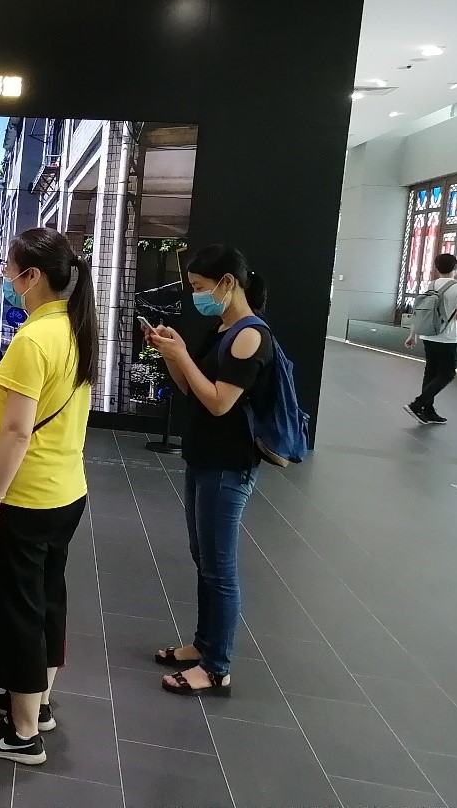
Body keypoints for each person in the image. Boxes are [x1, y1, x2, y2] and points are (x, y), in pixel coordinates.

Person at [0, 228, 96, 766]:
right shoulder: (75, 328)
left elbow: (15, 432)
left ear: (32, 276)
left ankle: (21, 735)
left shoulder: (33, 340)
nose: (5, 277)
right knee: (47, 599)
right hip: (67, 490)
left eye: (10, 268)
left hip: (28, 496)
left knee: (18, 611)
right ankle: (36, 704)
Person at [143, 245, 274, 697]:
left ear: (227, 283)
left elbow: (220, 402)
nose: (196, 295)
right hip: (205, 458)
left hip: (229, 464)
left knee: (219, 567)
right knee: (205, 558)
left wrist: (181, 356)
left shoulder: (249, 336)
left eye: (200, 287)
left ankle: (217, 666)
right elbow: (192, 390)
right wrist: (172, 353)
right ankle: (204, 645)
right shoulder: (223, 329)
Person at [405, 252, 457, 424]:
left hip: (428, 334)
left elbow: (421, 312)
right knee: (447, 374)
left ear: (437, 268)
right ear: (455, 268)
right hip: (447, 338)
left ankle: (428, 410)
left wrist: (413, 334)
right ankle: (417, 404)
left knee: (431, 372)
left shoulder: (431, 285)